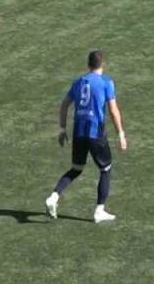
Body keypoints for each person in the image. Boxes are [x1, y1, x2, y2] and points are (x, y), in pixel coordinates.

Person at [45, 50, 128, 224]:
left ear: (88, 65)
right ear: (102, 64)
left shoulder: (78, 82)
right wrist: (121, 134)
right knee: (105, 168)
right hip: (95, 132)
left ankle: (53, 197)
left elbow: (65, 105)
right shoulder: (106, 83)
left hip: (78, 132)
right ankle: (99, 210)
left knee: (76, 168)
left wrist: (61, 129)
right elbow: (113, 110)